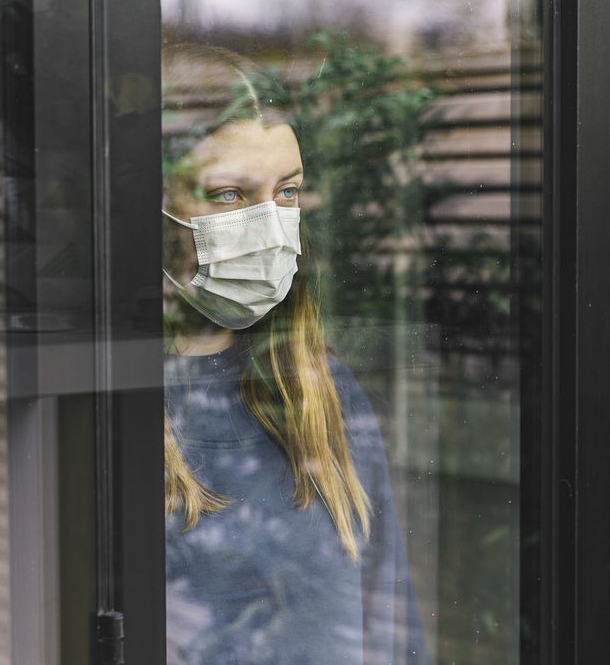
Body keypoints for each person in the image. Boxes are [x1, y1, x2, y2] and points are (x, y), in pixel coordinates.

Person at [161, 49, 429, 665]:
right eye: (230, 195)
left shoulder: (320, 389)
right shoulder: (98, 408)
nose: (270, 224)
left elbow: (392, 628)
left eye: (288, 192)